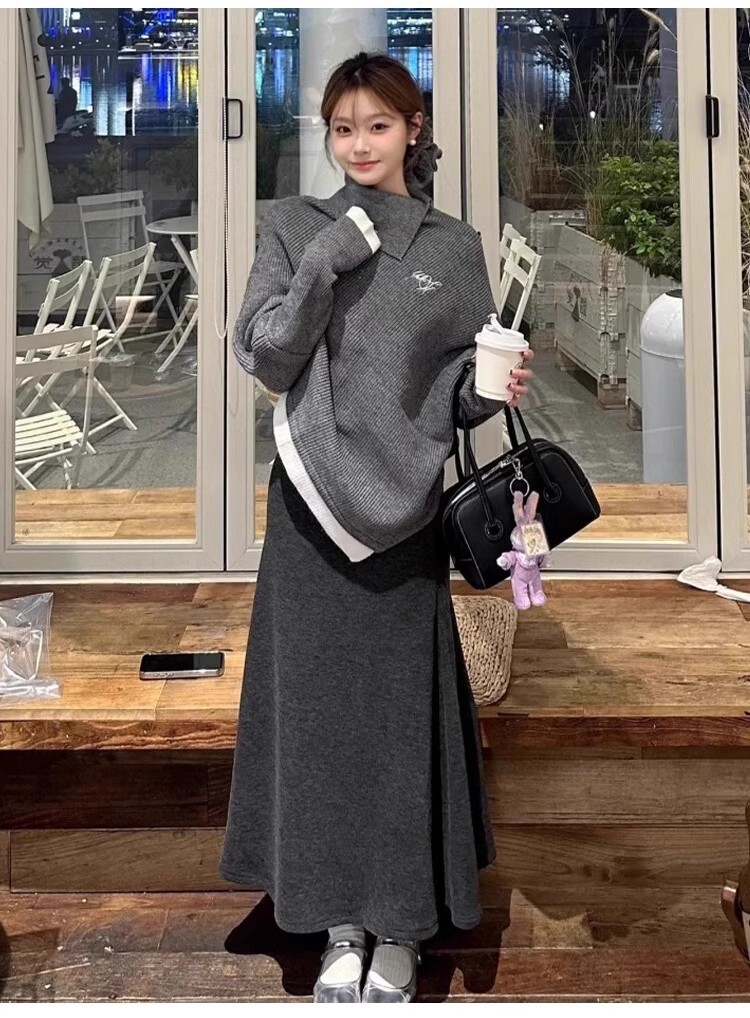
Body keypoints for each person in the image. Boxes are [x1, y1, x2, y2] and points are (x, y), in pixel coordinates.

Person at [219, 51, 535, 1004]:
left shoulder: (453, 248)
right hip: (310, 513)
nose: (359, 145)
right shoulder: (293, 228)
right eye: (343, 128)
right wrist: (327, 260)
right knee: (317, 727)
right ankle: (337, 927)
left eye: (379, 126)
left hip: (407, 521)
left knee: (399, 730)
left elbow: (459, 395)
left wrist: (497, 387)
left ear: (414, 129)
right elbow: (268, 357)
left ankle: (400, 927)